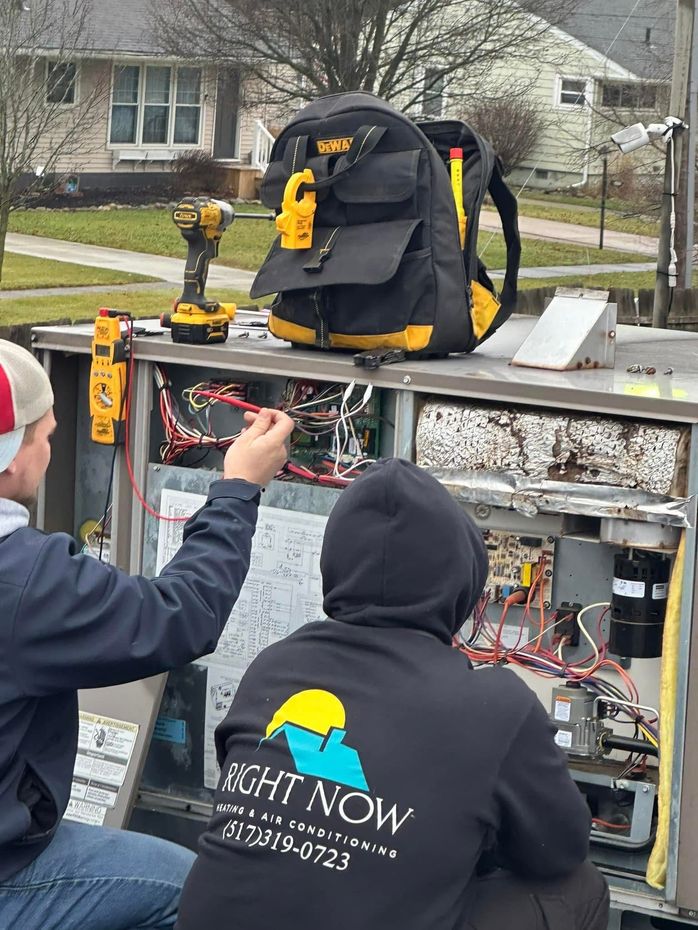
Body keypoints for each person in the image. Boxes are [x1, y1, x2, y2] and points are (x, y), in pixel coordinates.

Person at [176, 458, 609, 930]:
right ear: (461, 581)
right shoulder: (495, 706)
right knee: (580, 889)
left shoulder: (275, 665)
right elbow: (559, 849)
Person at [0, 339, 294, 930]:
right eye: (47, 437)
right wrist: (239, 488)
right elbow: (181, 615)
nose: (51, 449)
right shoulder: (22, 578)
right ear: (9, 457)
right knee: (197, 889)